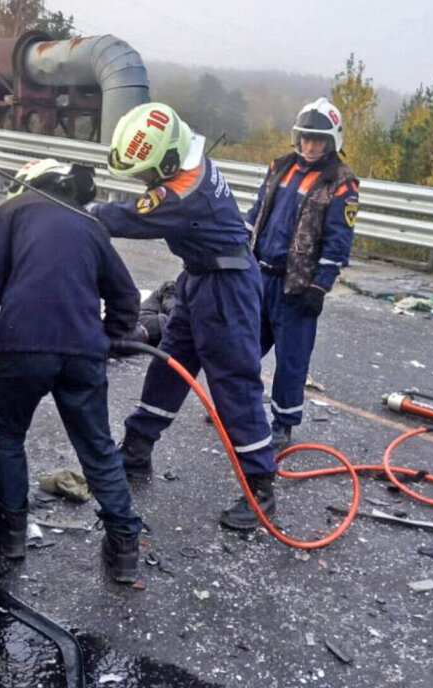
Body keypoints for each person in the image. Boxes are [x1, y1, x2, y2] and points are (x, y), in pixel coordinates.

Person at [0, 158, 146, 582]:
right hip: (83, 352)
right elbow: (127, 296)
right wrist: (106, 340)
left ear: (28, 184)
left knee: (5, 431)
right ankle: (125, 548)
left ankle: (13, 532)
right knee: (96, 446)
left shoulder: (10, 212)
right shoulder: (90, 226)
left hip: (23, 346)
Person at [90, 102, 278, 530]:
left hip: (228, 288)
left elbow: (132, 217)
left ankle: (260, 486)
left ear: (169, 158)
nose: (144, 181)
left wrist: (88, 211)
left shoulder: (183, 194)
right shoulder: (187, 163)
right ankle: (137, 448)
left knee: (234, 383)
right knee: (169, 364)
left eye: (146, 173)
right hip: (199, 278)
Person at [247, 98, 358, 451]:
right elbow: (255, 212)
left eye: (318, 140)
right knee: (244, 350)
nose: (310, 146)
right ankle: (241, 409)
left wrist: (319, 287)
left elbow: (339, 241)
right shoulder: (280, 166)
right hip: (258, 277)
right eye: (306, 138)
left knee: (292, 362)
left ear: (332, 141)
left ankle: (283, 425)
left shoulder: (341, 183)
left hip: (295, 287)